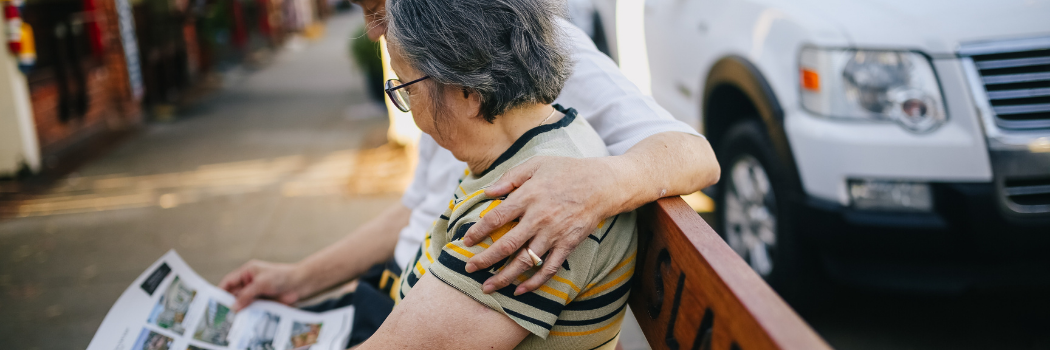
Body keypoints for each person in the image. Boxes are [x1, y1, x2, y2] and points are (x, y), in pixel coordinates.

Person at [220, 0, 720, 345]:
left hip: (431, 305)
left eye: (405, 87)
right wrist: (296, 280)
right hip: (411, 289)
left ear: (467, 86)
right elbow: (415, 211)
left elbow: (693, 152)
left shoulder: (519, 203)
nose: (374, 28)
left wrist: (600, 182)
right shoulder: (499, 130)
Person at [360, 0, 635, 347]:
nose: (410, 110)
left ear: (468, 93)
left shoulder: (525, 209)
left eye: (407, 88)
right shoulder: (550, 132)